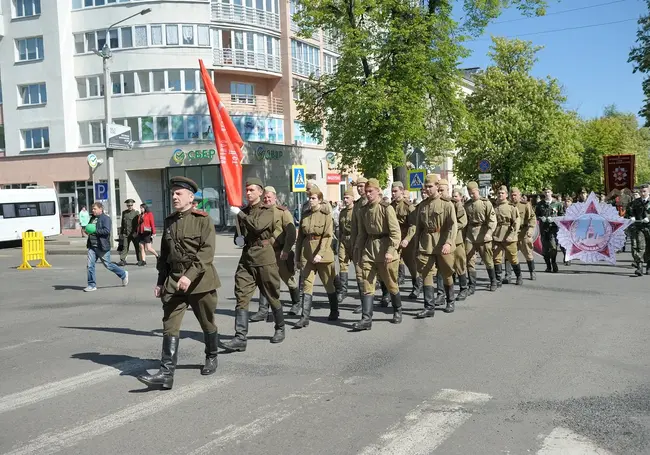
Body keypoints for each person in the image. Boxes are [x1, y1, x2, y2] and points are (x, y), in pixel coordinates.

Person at [137, 176, 221, 390]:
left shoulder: (203, 220)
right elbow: (165, 256)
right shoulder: (169, 221)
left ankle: (211, 355)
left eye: (179, 193)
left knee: (207, 322)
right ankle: (166, 374)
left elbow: (206, 254)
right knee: (169, 325)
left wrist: (189, 276)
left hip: (200, 281)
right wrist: (160, 281)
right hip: (174, 281)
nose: (174, 196)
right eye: (173, 193)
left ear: (191, 197)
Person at [221, 178, 285, 352]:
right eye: (246, 190)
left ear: (260, 192)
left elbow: (257, 226)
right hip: (247, 258)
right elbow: (240, 233)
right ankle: (240, 337)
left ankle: (280, 328)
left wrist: (240, 214)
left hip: (264, 257)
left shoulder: (268, 210)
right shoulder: (243, 211)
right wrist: (238, 239)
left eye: (251, 190)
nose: (248, 193)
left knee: (272, 295)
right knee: (241, 295)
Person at [353, 178, 402, 330]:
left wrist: (391, 251)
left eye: (370, 191)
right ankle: (366, 319)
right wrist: (358, 251)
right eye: (366, 192)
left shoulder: (386, 208)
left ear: (378, 191)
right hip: (369, 249)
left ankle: (397, 310)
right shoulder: (363, 210)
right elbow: (362, 233)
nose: (368, 194)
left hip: (385, 248)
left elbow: (395, 233)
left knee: (390, 283)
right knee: (368, 283)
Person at [249, 186, 300, 321]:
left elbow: (291, 233)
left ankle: (296, 303)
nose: (266, 199)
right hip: (266, 253)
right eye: (265, 197)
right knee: (265, 281)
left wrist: (286, 250)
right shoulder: (261, 212)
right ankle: (262, 310)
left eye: (269, 197)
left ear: (275, 198)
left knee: (289, 279)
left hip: (280, 252)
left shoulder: (282, 212)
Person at [294, 186, 338, 327]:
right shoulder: (305, 214)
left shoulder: (326, 215)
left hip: (323, 255)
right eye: (309, 198)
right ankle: (304, 317)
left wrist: (320, 254)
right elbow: (300, 238)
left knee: (328, 284)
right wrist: (297, 257)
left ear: (320, 200)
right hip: (307, 253)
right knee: (306, 284)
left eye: (313, 198)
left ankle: (334, 311)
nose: (310, 200)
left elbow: (327, 236)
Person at [414, 175, 457, 316]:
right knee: (426, 273)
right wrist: (416, 247)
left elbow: (452, 226)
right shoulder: (422, 205)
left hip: (442, 241)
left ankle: (450, 300)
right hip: (426, 242)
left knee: (446, 273)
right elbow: (419, 228)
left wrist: (449, 243)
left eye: (430, 186)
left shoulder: (446, 204)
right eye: (425, 186)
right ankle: (429, 307)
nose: (427, 189)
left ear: (437, 187)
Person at [84, 202, 128, 292]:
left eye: (95, 209)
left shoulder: (106, 218)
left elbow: (106, 231)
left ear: (101, 209)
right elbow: (89, 228)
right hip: (92, 246)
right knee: (90, 266)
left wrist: (95, 231)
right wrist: (87, 231)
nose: (93, 210)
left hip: (101, 246)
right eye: (92, 209)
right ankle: (91, 285)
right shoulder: (92, 218)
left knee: (108, 265)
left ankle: (123, 274)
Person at [464, 181, 497, 292]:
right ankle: (472, 285)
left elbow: (492, 220)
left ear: (478, 190)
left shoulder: (485, 203)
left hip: (483, 233)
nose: (471, 195)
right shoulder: (467, 204)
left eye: (473, 192)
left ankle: (493, 281)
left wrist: (489, 233)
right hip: (470, 234)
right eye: (469, 193)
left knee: (487, 259)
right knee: (469, 260)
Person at [391, 181, 421, 299]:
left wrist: (407, 239)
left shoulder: (409, 206)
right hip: (395, 239)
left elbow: (413, 225)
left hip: (407, 239)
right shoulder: (390, 206)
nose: (393, 194)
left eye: (396, 191)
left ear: (402, 191)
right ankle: (392, 291)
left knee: (411, 264)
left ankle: (416, 286)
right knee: (392, 265)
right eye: (392, 191)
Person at [441, 182, 469, 301]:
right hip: (440, 241)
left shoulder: (455, 204)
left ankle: (463, 289)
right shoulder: (437, 204)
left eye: (442, 190)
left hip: (455, 240)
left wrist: (452, 227)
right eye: (439, 189)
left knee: (459, 264)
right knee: (443, 268)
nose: (440, 192)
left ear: (448, 189)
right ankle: (442, 293)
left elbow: (463, 221)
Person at [492, 186, 522, 286]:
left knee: (513, 258)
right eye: (499, 193)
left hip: (509, 235)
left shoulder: (511, 207)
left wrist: (512, 234)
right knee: (496, 258)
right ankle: (498, 279)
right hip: (497, 235)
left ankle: (519, 276)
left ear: (506, 195)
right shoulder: (494, 207)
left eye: (502, 193)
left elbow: (516, 222)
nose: (500, 195)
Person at [349, 177, 368, 313]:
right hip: (359, 243)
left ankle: (386, 296)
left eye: (362, 186)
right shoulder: (357, 204)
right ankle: (364, 303)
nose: (360, 188)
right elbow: (354, 227)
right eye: (358, 186)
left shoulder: (372, 202)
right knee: (360, 273)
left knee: (382, 274)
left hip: (373, 242)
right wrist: (353, 245)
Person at [510, 187, 537, 280]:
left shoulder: (525, 205)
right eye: (512, 195)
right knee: (509, 254)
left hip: (523, 232)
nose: (513, 197)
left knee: (528, 253)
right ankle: (508, 275)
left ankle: (532, 272)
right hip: (512, 233)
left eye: (515, 195)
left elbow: (532, 218)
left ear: (519, 195)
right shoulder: (508, 205)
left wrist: (531, 230)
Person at [535, 187, 564, 273]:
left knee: (553, 246)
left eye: (548, 192)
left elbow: (562, 216)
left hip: (553, 228)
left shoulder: (557, 204)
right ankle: (548, 266)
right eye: (545, 192)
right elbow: (536, 215)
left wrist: (554, 218)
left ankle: (554, 262)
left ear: (551, 192)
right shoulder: (540, 204)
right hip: (544, 229)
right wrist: (541, 218)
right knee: (545, 249)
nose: (547, 194)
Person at [626, 184, 650, 276]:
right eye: (641, 191)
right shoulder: (635, 202)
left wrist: (649, 217)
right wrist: (631, 216)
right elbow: (629, 211)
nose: (642, 193)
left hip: (649, 226)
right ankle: (639, 266)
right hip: (639, 227)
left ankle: (649, 265)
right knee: (639, 245)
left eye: (644, 191)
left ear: (649, 192)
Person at [337, 188, 355, 303]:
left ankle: (363, 292)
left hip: (354, 239)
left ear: (353, 198)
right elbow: (340, 227)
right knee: (342, 263)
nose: (345, 200)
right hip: (344, 240)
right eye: (344, 198)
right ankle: (343, 291)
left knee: (359, 266)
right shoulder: (342, 212)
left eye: (347, 197)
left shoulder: (357, 211)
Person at [118, 199, 140, 266]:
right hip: (126, 233)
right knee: (125, 247)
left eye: (131, 205)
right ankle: (122, 260)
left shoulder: (136, 212)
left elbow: (138, 223)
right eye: (128, 205)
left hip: (134, 233)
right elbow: (122, 223)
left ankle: (140, 260)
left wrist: (137, 232)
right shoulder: (124, 212)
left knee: (137, 247)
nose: (129, 206)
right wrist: (121, 233)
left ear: (132, 205)